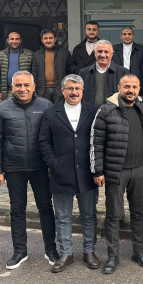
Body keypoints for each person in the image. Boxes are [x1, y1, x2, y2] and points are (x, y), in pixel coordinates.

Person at [0, 71, 57, 269]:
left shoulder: (46, 106)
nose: (22, 89)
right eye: (18, 85)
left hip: (41, 167)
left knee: (46, 208)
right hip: (13, 167)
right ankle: (20, 251)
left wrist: (54, 163)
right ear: (12, 87)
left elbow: (54, 136)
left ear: (33, 86)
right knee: (17, 210)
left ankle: (51, 249)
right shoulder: (1, 109)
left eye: (26, 85)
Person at [92, 74, 143, 275]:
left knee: (138, 213)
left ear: (139, 89)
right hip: (115, 171)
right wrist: (98, 170)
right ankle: (113, 256)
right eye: (126, 86)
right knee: (113, 214)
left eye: (134, 87)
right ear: (119, 88)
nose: (131, 90)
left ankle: (139, 252)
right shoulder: (106, 110)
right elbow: (96, 142)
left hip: (140, 169)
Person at [38, 74, 100, 273]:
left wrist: (97, 167)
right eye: (70, 88)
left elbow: (99, 140)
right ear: (63, 90)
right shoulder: (51, 113)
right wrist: (54, 164)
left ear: (83, 90)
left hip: (87, 173)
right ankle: (66, 253)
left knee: (89, 215)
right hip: (61, 173)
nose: (74, 92)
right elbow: (44, 142)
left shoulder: (94, 111)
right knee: (63, 217)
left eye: (77, 88)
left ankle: (89, 251)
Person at [79, 40, 130, 108]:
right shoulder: (84, 73)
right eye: (100, 51)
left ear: (112, 54)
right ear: (94, 53)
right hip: (89, 113)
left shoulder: (123, 72)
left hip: (114, 113)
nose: (102, 55)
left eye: (106, 52)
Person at [0, 31, 33, 102]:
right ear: (8, 41)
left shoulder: (29, 54)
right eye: (12, 39)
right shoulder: (1, 55)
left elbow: (34, 73)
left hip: (25, 91)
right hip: (7, 92)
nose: (14, 41)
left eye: (17, 39)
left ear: (20, 41)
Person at [31, 29, 70, 104]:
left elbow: (69, 73)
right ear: (42, 40)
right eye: (45, 38)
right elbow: (34, 74)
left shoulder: (64, 53)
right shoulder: (37, 55)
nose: (48, 40)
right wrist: (35, 91)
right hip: (42, 90)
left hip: (60, 90)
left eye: (50, 38)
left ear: (55, 39)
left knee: (59, 110)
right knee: (44, 110)